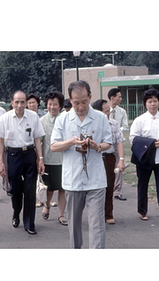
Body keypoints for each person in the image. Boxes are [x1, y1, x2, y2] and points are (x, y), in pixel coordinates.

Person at [51, 80, 112, 249]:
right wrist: (71, 142)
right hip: (72, 180)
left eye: (84, 102)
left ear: (90, 97)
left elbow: (109, 143)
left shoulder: (100, 117)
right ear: (70, 100)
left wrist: (97, 146)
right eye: (76, 103)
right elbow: (54, 146)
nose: (80, 106)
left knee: (97, 224)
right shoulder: (63, 119)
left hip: (96, 179)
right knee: (74, 224)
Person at [0, 90, 45, 235]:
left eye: (23, 102)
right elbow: (0, 141)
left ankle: (29, 223)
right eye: (17, 102)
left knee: (29, 191)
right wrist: (1, 163)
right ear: (12, 103)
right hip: (13, 155)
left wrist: (40, 159)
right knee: (16, 191)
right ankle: (16, 213)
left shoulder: (33, 116)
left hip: (29, 154)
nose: (20, 105)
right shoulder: (5, 118)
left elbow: (37, 139)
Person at [129, 88, 159, 227]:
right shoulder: (140, 120)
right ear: (145, 104)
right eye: (150, 101)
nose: (153, 104)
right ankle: (142, 211)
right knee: (143, 185)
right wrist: (149, 144)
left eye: (155, 101)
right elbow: (133, 138)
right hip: (145, 158)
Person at [92, 99, 125, 224]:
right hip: (95, 158)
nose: (109, 113)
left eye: (109, 110)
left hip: (109, 157)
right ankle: (95, 215)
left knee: (109, 187)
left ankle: (108, 214)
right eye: (106, 111)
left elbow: (119, 142)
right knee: (95, 188)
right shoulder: (92, 124)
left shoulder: (113, 123)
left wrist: (121, 159)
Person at [40, 91, 68, 226]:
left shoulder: (66, 119)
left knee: (63, 189)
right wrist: (39, 160)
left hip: (64, 160)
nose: (52, 107)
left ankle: (61, 215)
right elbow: (38, 142)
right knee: (49, 189)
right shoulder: (42, 121)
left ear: (60, 105)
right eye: (50, 104)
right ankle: (47, 206)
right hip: (48, 160)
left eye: (55, 104)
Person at [26, 93, 56, 208]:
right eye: (29, 103)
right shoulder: (26, 116)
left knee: (46, 174)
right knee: (35, 175)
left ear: (38, 103)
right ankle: (39, 199)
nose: (31, 105)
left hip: (43, 148)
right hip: (31, 149)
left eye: (33, 102)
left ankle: (49, 199)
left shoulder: (44, 116)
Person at [108, 88, 129, 201]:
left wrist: (116, 132)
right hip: (105, 143)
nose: (121, 99)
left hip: (117, 142)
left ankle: (117, 191)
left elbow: (125, 127)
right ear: (112, 98)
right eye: (119, 97)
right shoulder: (104, 110)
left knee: (119, 165)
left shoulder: (122, 112)